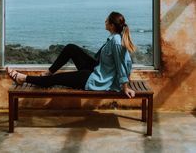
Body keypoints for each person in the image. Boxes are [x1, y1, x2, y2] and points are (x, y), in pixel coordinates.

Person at [7, 11, 136, 98]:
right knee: (70, 48)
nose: (105, 21)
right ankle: (48, 72)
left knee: (57, 80)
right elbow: (126, 62)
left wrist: (125, 87)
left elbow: (122, 66)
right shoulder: (115, 38)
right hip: (97, 70)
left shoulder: (117, 42)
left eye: (107, 20)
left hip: (96, 80)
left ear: (112, 25)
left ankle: (23, 78)